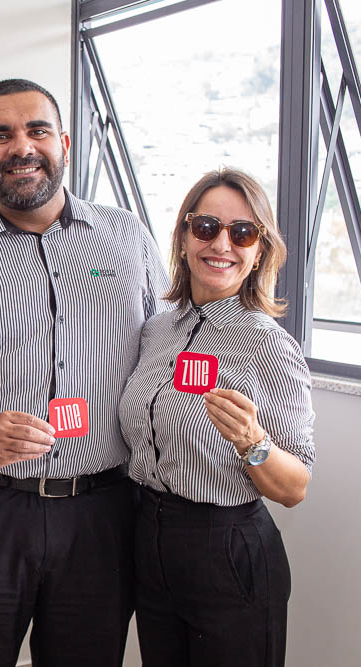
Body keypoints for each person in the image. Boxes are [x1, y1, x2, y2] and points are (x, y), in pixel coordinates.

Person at [0, 78, 170, 666]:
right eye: (0, 135)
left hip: (102, 512)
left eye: (37, 130)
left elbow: (164, 353)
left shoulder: (127, 239)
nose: (22, 147)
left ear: (63, 143)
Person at [118, 168, 315, 666]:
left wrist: (252, 441)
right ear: (184, 238)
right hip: (150, 542)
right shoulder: (156, 331)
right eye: (206, 227)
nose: (221, 244)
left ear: (259, 252)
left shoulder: (267, 345)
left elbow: (294, 489)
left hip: (227, 549)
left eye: (242, 232)